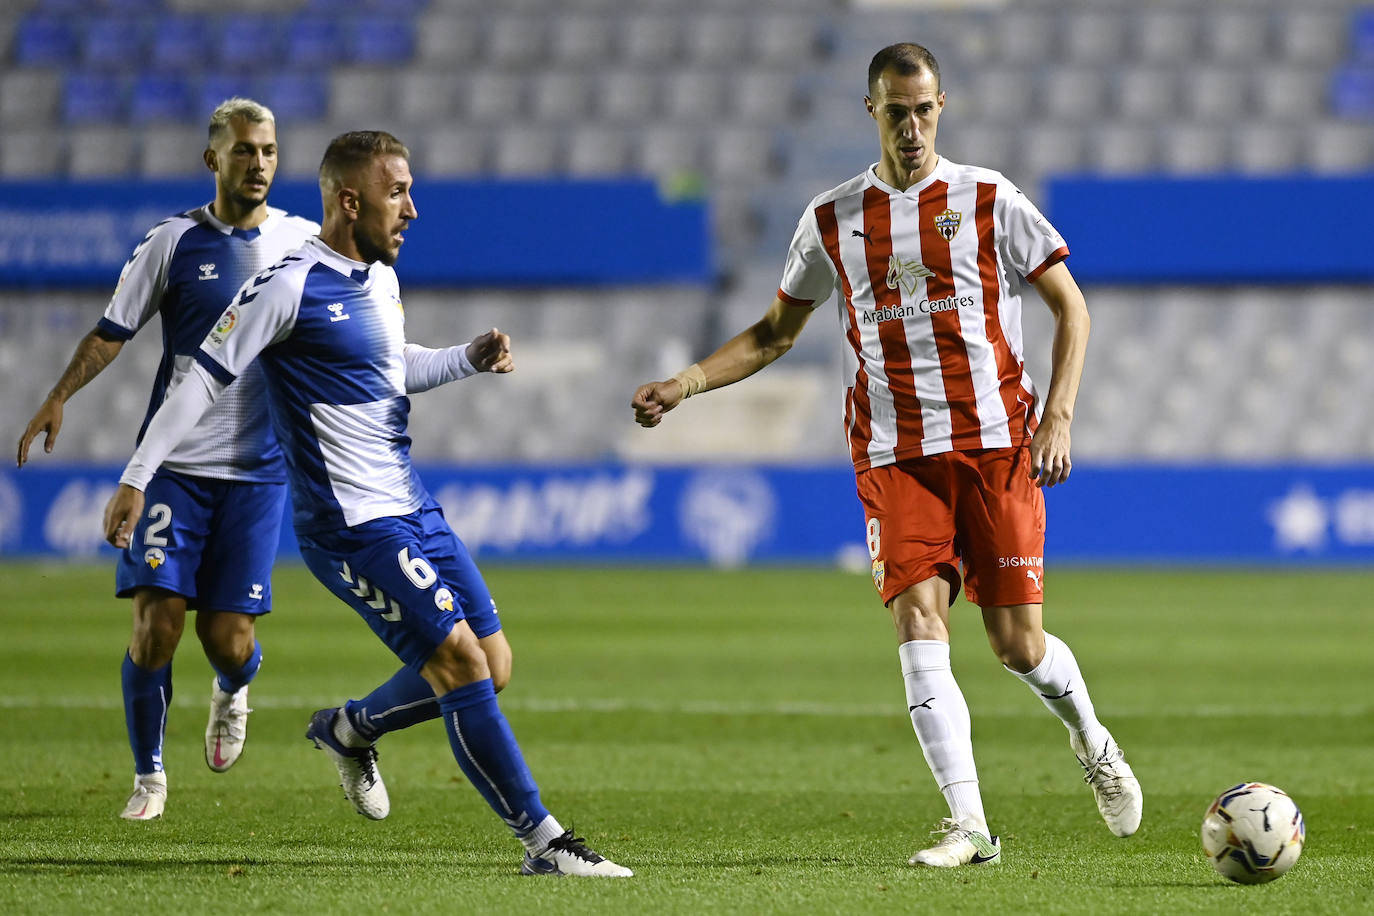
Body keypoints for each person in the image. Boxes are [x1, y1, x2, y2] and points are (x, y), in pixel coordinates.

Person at [632, 43, 1142, 868]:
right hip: (895, 455)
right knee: (917, 617)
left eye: (926, 109)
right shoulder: (831, 220)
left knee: (1018, 645)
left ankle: (1092, 739)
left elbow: (1071, 308)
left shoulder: (989, 199)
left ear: (944, 107)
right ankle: (971, 826)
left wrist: (1060, 416)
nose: (913, 126)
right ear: (870, 110)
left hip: (994, 447)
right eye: (897, 111)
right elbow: (772, 334)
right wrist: (687, 382)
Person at [102, 131, 632, 877]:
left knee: (495, 662)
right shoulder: (285, 286)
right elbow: (199, 380)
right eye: (398, 193)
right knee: (458, 664)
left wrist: (465, 360)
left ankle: (350, 731)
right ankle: (544, 842)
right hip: (350, 524)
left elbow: (389, 368)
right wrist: (137, 475)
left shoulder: (379, 276)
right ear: (350, 201)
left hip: (411, 502)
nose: (412, 209)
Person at [16, 99, 318, 821]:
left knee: (227, 639)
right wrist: (60, 395)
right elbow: (112, 331)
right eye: (244, 151)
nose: (259, 164)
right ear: (212, 158)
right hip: (173, 468)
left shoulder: (304, 242)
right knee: (156, 625)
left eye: (270, 151)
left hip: (256, 473)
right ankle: (149, 776)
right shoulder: (173, 242)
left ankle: (235, 685)